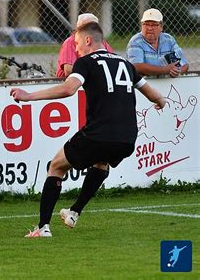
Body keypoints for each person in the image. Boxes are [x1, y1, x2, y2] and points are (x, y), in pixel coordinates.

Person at [10, 22, 166, 237]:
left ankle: (43, 228)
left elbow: (68, 88)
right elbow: (154, 95)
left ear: (88, 40)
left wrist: (29, 96)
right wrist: (160, 101)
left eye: (76, 44)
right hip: (127, 138)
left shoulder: (85, 62)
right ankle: (74, 212)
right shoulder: (126, 64)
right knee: (101, 163)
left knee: (56, 166)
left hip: (99, 134)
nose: (76, 49)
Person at [126, 8, 189, 78]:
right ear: (142, 26)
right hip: (143, 85)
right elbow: (137, 66)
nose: (149, 28)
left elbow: (184, 65)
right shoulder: (135, 41)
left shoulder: (168, 39)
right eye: (146, 24)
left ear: (161, 27)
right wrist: (165, 70)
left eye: (153, 25)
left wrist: (177, 71)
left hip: (167, 84)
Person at [56, 13, 114, 78]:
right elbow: (68, 70)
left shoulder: (102, 42)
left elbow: (111, 65)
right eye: (87, 27)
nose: (92, 30)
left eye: (95, 27)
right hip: (73, 83)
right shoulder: (71, 42)